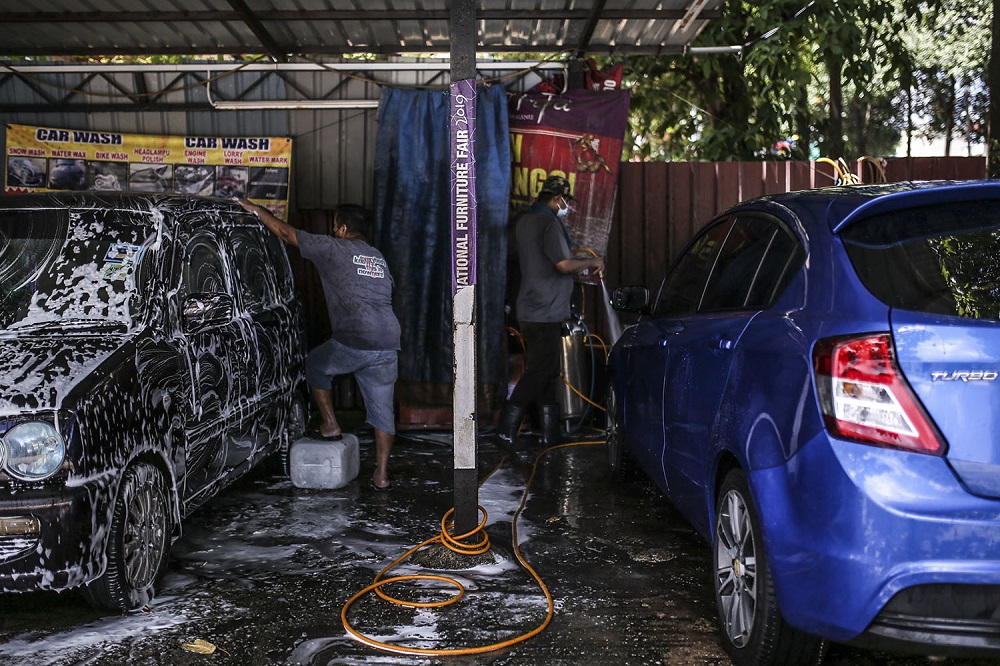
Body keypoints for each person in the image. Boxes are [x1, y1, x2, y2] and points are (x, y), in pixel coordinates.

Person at [237, 198, 400, 491]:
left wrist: (258, 211)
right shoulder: (377, 257)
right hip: (388, 340)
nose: (334, 230)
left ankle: (330, 424)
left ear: (343, 228)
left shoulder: (334, 248)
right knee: (382, 411)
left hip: (356, 338)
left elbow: (288, 234)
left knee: (316, 364)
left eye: (335, 225)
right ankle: (382, 475)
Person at [499, 175, 604, 451]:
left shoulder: (524, 222)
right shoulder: (548, 223)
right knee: (542, 369)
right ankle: (505, 429)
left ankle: (550, 432)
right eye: (565, 201)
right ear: (558, 199)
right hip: (543, 310)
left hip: (531, 307)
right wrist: (593, 261)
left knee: (547, 370)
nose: (566, 206)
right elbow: (563, 264)